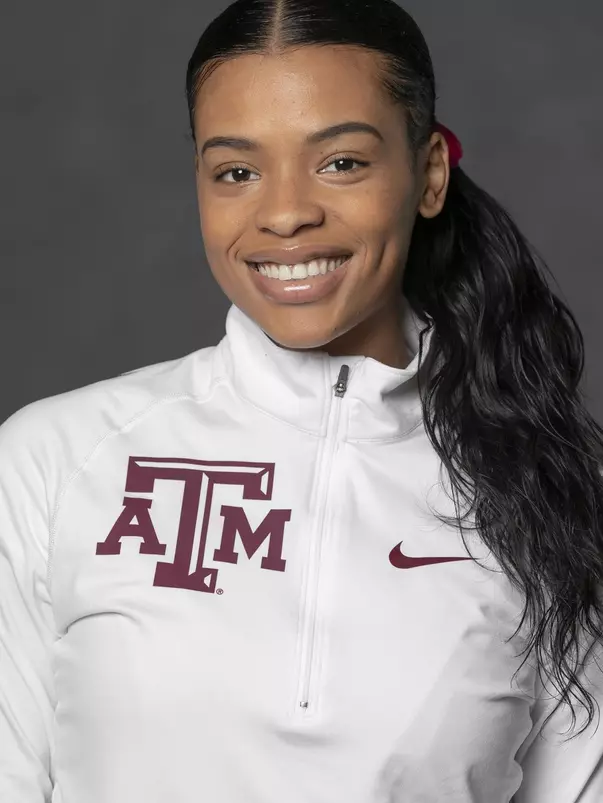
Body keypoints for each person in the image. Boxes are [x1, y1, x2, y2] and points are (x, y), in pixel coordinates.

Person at [1, 0, 602, 800]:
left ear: (428, 175)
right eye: (236, 171)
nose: (284, 212)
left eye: (341, 162)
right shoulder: (56, 457)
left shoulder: (549, 491)